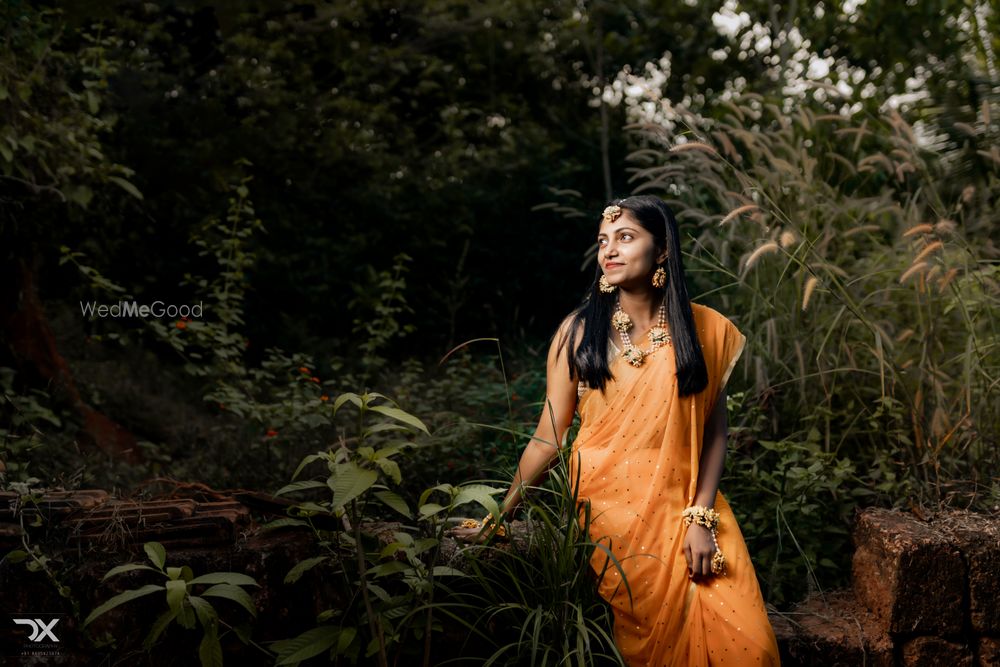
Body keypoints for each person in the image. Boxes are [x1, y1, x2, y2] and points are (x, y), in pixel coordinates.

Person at [452, 195, 781, 666]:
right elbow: (551, 435)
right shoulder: (578, 333)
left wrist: (701, 516)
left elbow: (714, 433)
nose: (610, 249)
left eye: (626, 238)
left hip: (688, 500)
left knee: (752, 647)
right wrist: (499, 516)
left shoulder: (705, 329)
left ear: (662, 249)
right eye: (604, 240)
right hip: (609, 506)